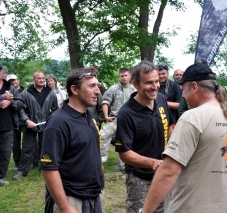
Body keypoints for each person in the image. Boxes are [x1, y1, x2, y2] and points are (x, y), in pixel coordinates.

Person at [141, 61, 227, 213]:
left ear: (194, 86)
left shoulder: (193, 117)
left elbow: (169, 171)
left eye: (183, 89)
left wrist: (146, 211)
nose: (183, 96)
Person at [39, 68, 104, 213]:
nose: (98, 91)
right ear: (74, 89)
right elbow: (48, 169)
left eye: (97, 86)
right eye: (92, 86)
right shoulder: (58, 122)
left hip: (94, 195)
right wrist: (65, 207)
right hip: (71, 199)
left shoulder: (89, 115)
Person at [115, 60, 174, 213]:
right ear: (135, 84)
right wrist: (152, 163)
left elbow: (170, 127)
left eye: (156, 81)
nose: (155, 87)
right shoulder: (126, 113)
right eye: (149, 83)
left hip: (163, 173)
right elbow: (124, 153)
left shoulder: (161, 99)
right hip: (139, 177)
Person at [12, 71, 58, 180]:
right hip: (30, 126)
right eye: (39, 78)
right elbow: (20, 108)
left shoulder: (50, 93)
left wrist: (51, 120)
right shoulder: (26, 92)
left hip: (46, 126)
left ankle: (45, 168)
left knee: (46, 148)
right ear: (34, 80)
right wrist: (27, 120)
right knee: (27, 149)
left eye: (43, 78)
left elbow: (55, 109)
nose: (42, 80)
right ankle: (22, 171)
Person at [100, 67, 136, 166]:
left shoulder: (135, 89)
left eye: (126, 75)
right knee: (102, 136)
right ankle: (101, 159)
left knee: (126, 141)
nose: (124, 78)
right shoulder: (113, 88)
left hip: (129, 119)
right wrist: (106, 116)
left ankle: (124, 164)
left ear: (129, 76)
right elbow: (105, 102)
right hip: (115, 118)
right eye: (122, 76)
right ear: (119, 77)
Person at [0, 66, 24, 186]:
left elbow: (21, 103)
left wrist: (10, 103)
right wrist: (1, 98)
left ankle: (1, 178)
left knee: (5, 153)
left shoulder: (10, 87)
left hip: (8, 125)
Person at [6, 74, 25, 170]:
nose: (13, 82)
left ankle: (31, 162)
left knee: (27, 142)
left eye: (15, 80)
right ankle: (17, 163)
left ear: (18, 80)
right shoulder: (7, 92)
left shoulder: (26, 91)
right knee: (15, 142)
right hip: (14, 120)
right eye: (11, 81)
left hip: (26, 119)